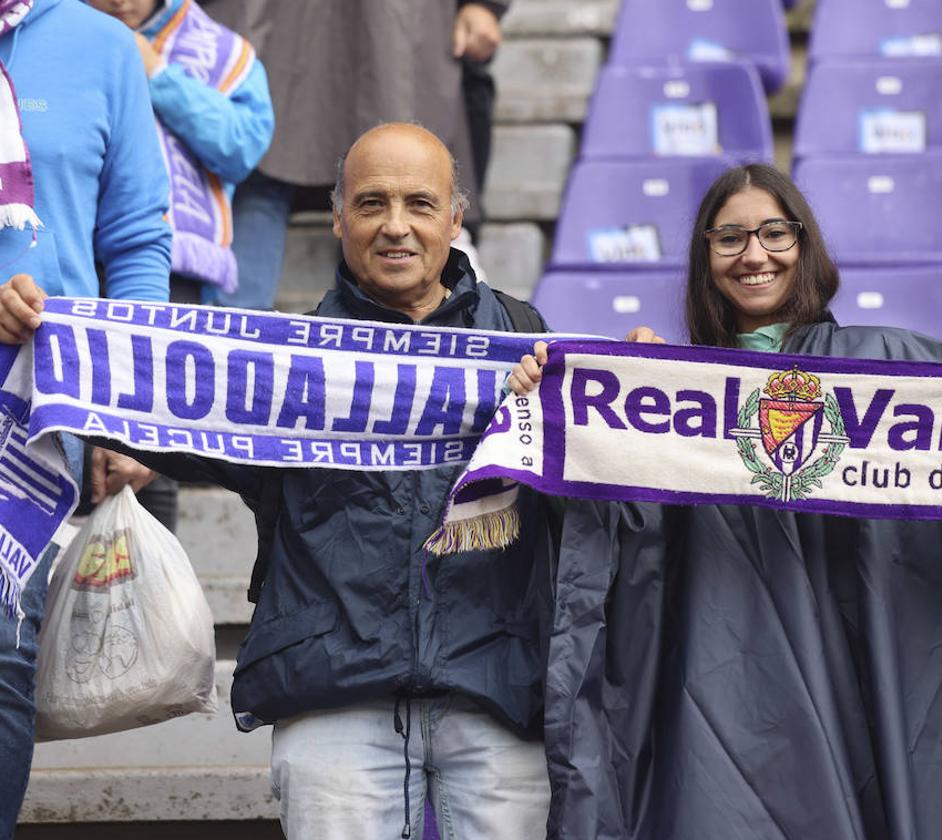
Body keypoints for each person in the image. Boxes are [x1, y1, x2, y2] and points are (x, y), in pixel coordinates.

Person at [508, 163, 942, 840]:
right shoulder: (672, 390)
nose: (754, 254)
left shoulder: (893, 363)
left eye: (775, 234)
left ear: (805, 247)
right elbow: (614, 536)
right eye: (730, 238)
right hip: (722, 704)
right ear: (705, 259)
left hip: (876, 688)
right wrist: (583, 399)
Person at [0, 123, 552, 840]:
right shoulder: (274, 362)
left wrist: (641, 367)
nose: (395, 226)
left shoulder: (527, 338)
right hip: (332, 703)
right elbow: (141, 399)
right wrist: (38, 337)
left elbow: (608, 469)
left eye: (420, 203)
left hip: (498, 692)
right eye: (371, 202)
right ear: (336, 215)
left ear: (456, 216)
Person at [0, 0, 172, 835]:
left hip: (38, 413)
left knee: (3, 651)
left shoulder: (102, 47)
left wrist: (124, 412)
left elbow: (137, 241)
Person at [84, 0, 273, 533]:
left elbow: (243, 145)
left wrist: (157, 73)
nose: (121, 1)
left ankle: (142, 588)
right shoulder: (58, 33)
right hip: (77, 256)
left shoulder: (220, 50)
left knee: (151, 436)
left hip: (176, 267)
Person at [201, 0, 507, 310]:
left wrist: (483, 5)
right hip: (279, 23)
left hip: (390, 28)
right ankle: (231, 344)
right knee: (258, 172)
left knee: (398, 172)